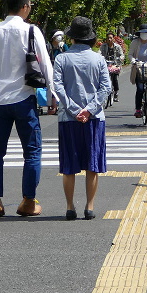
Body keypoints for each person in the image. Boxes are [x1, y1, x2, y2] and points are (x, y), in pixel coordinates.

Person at [0, 0, 56, 217]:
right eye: (30, 4)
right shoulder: (31, 31)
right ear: (24, 7)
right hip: (23, 98)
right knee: (32, 151)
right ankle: (27, 201)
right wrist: (52, 96)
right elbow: (45, 65)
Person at [52, 16, 111, 220]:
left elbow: (57, 86)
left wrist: (74, 109)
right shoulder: (98, 59)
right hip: (94, 119)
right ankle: (90, 206)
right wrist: (89, 110)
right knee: (92, 164)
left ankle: (70, 206)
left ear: (72, 38)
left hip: (69, 119)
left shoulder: (62, 58)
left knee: (69, 165)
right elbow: (106, 88)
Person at [102, 33, 124, 101]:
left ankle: (116, 92)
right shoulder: (103, 46)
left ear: (113, 39)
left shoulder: (117, 46)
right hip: (106, 64)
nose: (109, 39)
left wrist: (120, 58)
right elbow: (99, 52)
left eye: (111, 38)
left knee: (114, 79)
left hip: (115, 64)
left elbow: (122, 54)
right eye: (108, 38)